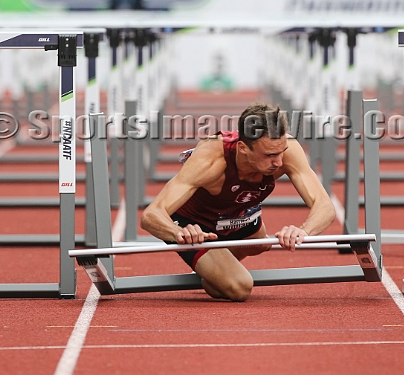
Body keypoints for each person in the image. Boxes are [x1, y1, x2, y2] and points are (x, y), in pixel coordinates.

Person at [140, 103, 336, 302]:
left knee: (260, 243)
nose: (278, 162)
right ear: (243, 148)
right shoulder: (211, 159)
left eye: (281, 152)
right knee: (240, 287)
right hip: (197, 226)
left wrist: (303, 231)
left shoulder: (286, 149)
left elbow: (325, 206)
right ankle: (217, 271)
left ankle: (216, 269)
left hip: (235, 216)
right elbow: (151, 215)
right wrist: (180, 233)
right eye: (269, 155)